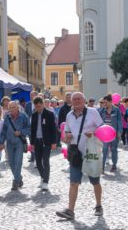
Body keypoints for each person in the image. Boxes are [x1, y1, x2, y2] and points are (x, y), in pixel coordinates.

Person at [56, 92, 104, 220]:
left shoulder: (93, 112)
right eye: (74, 99)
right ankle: (70, 211)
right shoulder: (69, 115)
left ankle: (99, 205)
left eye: (79, 99)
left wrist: (93, 133)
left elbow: (102, 129)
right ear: (71, 102)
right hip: (75, 153)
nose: (76, 101)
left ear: (84, 100)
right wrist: (68, 136)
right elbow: (66, 133)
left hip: (90, 153)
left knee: (95, 182)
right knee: (73, 183)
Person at [0, 101, 31, 190]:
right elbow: (4, 130)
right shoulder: (7, 117)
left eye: (13, 107)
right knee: (11, 163)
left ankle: (15, 181)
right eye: (10, 107)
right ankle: (19, 178)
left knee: (18, 162)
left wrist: (21, 132)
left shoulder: (24, 116)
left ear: (17, 107)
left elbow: (29, 128)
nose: (12, 109)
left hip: (19, 142)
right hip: (9, 143)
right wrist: (1, 142)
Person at [30, 97, 57, 191]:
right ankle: (42, 177)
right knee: (38, 162)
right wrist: (32, 143)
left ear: (42, 104)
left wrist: (54, 142)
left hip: (47, 142)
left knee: (45, 161)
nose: (38, 108)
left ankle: (45, 181)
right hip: (37, 141)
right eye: (36, 107)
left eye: (39, 106)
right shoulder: (33, 115)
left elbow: (54, 129)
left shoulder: (49, 114)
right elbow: (32, 130)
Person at [98, 94, 122, 172]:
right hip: (105, 135)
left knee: (113, 150)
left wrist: (119, 132)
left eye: (106, 102)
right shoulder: (102, 110)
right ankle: (102, 167)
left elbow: (119, 121)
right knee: (104, 150)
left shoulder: (117, 110)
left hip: (114, 134)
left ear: (111, 102)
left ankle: (114, 165)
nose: (104, 104)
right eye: (104, 102)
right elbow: (99, 122)